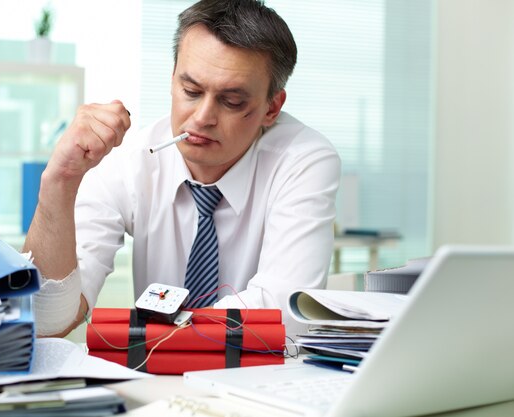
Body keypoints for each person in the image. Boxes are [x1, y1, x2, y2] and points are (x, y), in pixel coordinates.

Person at [24, 0, 341, 339]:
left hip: (259, 379)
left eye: (232, 101)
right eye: (190, 91)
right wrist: (59, 181)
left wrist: (160, 335)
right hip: (155, 381)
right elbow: (49, 319)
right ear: (172, 78)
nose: (203, 116)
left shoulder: (303, 160)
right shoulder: (129, 160)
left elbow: (283, 311)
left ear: (272, 107)